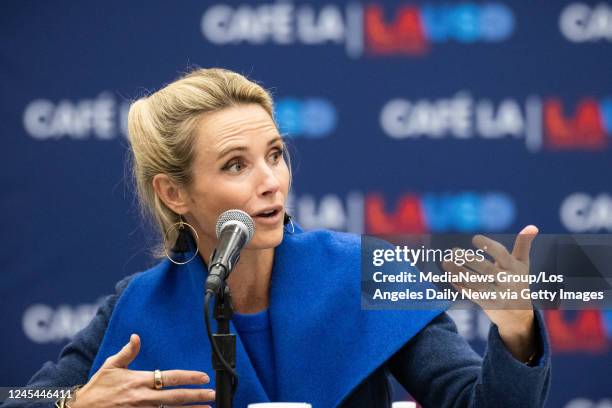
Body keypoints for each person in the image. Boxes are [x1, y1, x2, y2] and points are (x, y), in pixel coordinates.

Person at [3, 68, 551, 408]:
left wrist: (518, 330)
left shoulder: (364, 269)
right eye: (236, 165)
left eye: (274, 155)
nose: (271, 182)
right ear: (175, 193)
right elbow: (25, 398)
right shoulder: (140, 303)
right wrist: (72, 403)